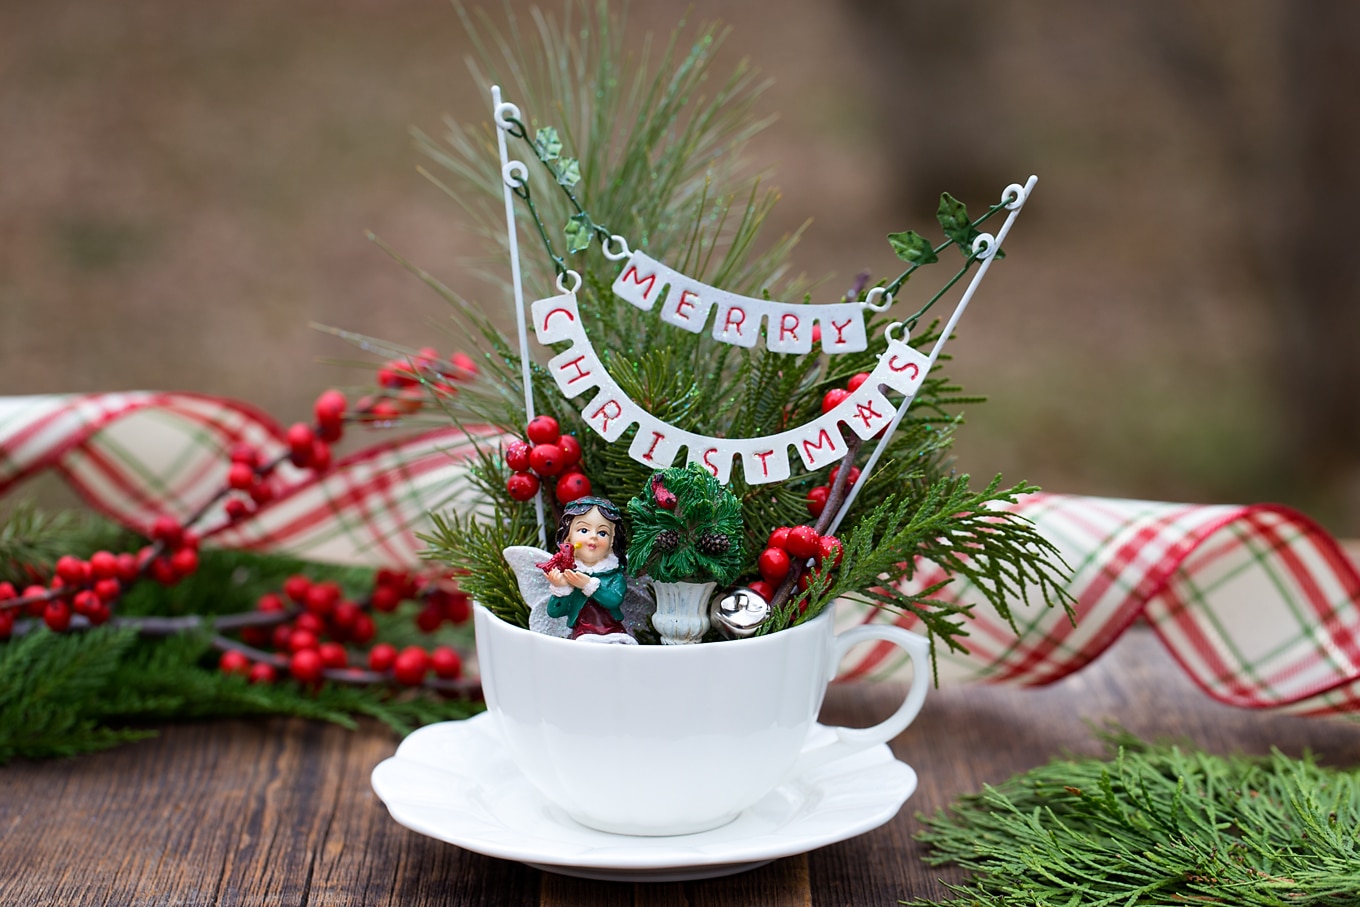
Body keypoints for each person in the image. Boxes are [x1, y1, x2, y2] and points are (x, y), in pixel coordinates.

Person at [544, 496, 630, 640]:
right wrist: (561, 588)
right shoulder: (570, 574)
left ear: (611, 541)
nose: (593, 537)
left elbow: (614, 600)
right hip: (582, 634)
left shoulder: (614, 575)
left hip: (613, 631)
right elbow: (554, 612)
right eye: (584, 530)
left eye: (602, 533)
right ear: (568, 538)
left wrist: (588, 585)